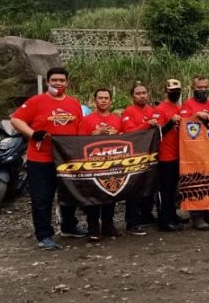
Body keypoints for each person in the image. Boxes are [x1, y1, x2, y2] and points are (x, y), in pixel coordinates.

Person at [11, 67, 87, 250]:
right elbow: (16, 119)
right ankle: (44, 235)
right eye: (54, 80)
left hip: (67, 159)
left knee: (69, 194)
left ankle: (69, 226)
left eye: (62, 80)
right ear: (47, 82)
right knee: (42, 197)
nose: (58, 83)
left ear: (67, 83)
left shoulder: (74, 103)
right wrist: (32, 134)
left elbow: (79, 128)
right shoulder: (36, 101)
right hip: (41, 159)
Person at [78, 88, 123, 241]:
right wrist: (94, 135)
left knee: (111, 193)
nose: (103, 100)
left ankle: (108, 225)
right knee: (93, 195)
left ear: (111, 101)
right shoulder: (87, 120)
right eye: (100, 98)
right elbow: (79, 142)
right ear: (94, 101)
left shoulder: (117, 120)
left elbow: (125, 139)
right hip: (93, 164)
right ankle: (93, 228)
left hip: (112, 163)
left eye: (106, 98)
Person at [121, 81, 159, 236]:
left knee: (150, 186)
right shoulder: (129, 111)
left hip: (151, 155)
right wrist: (147, 125)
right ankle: (132, 222)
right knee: (134, 190)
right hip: (134, 156)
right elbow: (129, 132)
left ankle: (146, 216)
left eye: (144, 93)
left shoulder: (153, 110)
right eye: (138, 93)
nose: (142, 96)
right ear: (132, 96)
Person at [180, 76, 209, 231]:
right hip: (193, 149)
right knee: (195, 182)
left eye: (205, 87)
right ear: (193, 88)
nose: (203, 90)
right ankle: (196, 215)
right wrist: (196, 115)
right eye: (199, 87)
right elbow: (183, 123)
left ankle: (206, 211)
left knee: (208, 180)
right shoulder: (188, 104)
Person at [153, 79, 184, 232]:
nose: (175, 93)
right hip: (165, 155)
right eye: (172, 91)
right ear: (166, 91)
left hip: (178, 154)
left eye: (177, 91)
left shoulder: (179, 107)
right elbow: (158, 132)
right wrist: (171, 122)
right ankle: (163, 220)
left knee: (173, 188)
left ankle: (172, 214)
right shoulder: (160, 109)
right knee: (165, 189)